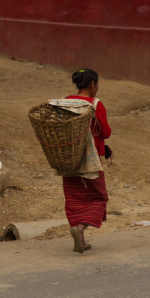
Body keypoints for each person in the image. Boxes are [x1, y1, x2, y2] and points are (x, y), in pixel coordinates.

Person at [64, 68, 111, 253]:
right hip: (90, 163)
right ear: (92, 84)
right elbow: (105, 132)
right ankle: (81, 227)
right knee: (99, 198)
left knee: (74, 199)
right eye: (97, 84)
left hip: (68, 161)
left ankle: (81, 241)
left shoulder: (65, 102)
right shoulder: (94, 104)